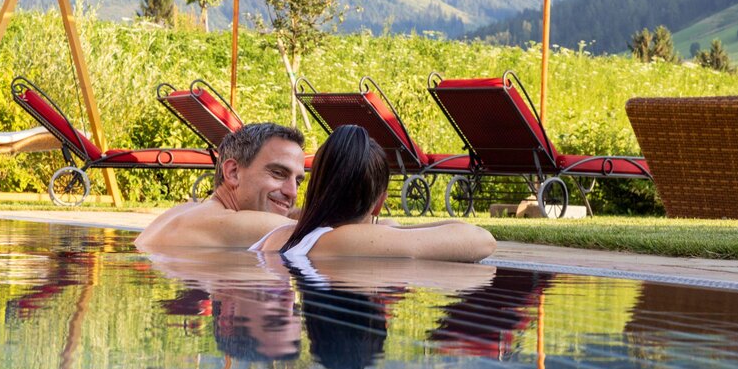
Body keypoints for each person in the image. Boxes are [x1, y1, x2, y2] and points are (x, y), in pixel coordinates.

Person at [251, 124, 496, 262]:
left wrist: (392, 228)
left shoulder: (282, 234)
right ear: (379, 202)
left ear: (315, 187)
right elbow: (481, 240)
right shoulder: (344, 241)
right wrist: (386, 228)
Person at [135, 122, 307, 250]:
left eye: (298, 181)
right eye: (278, 173)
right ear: (233, 172)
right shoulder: (234, 225)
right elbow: (318, 233)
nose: (292, 192)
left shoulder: (184, 211)